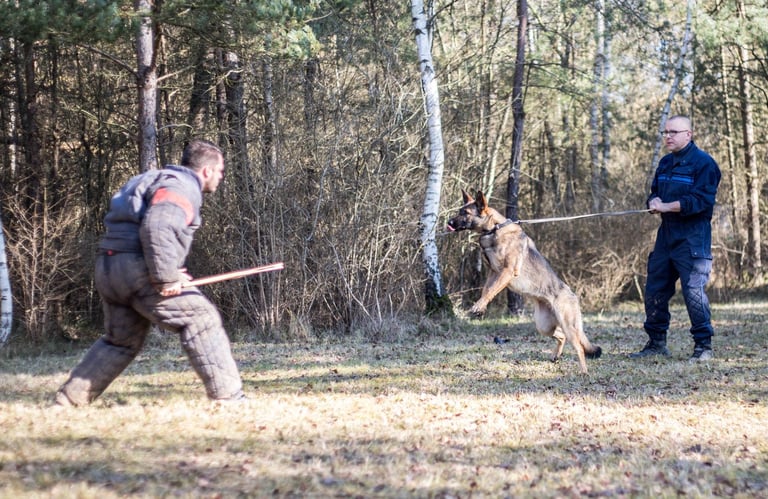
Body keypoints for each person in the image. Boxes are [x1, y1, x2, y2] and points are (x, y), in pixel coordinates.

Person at [56, 139, 245, 406]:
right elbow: (158, 226)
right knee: (202, 318)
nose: (221, 177)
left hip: (109, 267)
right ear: (207, 171)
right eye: (220, 171)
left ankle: (67, 402)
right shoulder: (182, 187)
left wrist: (169, 271)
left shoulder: (149, 179)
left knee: (121, 342)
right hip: (138, 269)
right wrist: (166, 277)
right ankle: (229, 398)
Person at [630, 115, 721, 361]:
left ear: (688, 134)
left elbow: (700, 201)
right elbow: (655, 193)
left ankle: (703, 346)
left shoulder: (704, 164)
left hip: (693, 237)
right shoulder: (665, 162)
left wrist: (666, 206)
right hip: (666, 236)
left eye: (673, 132)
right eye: (665, 132)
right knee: (655, 289)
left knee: (693, 292)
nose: (668, 136)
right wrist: (653, 202)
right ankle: (656, 343)